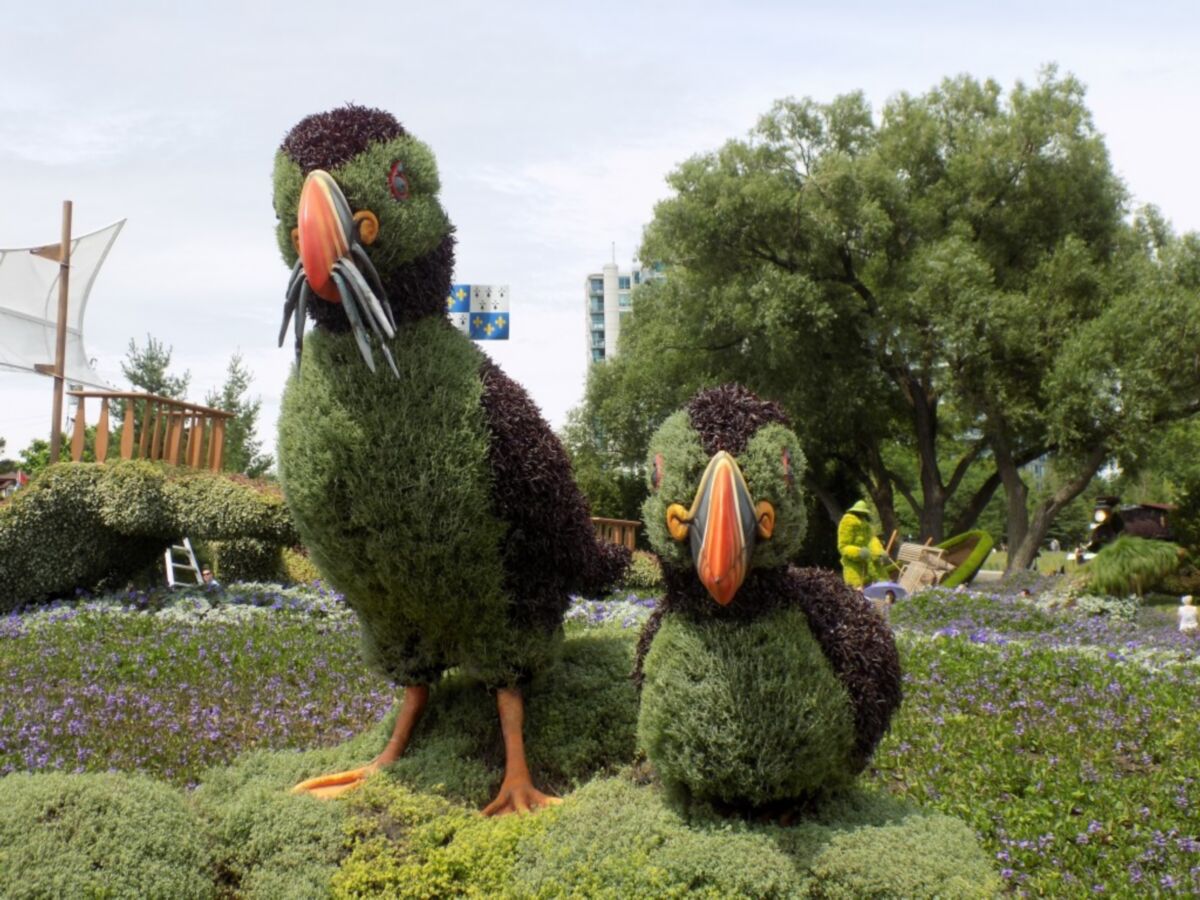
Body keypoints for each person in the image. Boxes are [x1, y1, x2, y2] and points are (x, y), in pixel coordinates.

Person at [837, 500, 890, 589]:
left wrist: (879, 552)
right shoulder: (847, 522)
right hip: (852, 562)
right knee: (856, 588)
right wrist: (859, 552)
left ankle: (887, 593)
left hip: (869, 558)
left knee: (884, 581)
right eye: (860, 513)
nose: (861, 515)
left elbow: (872, 539)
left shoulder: (866, 525)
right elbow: (843, 547)